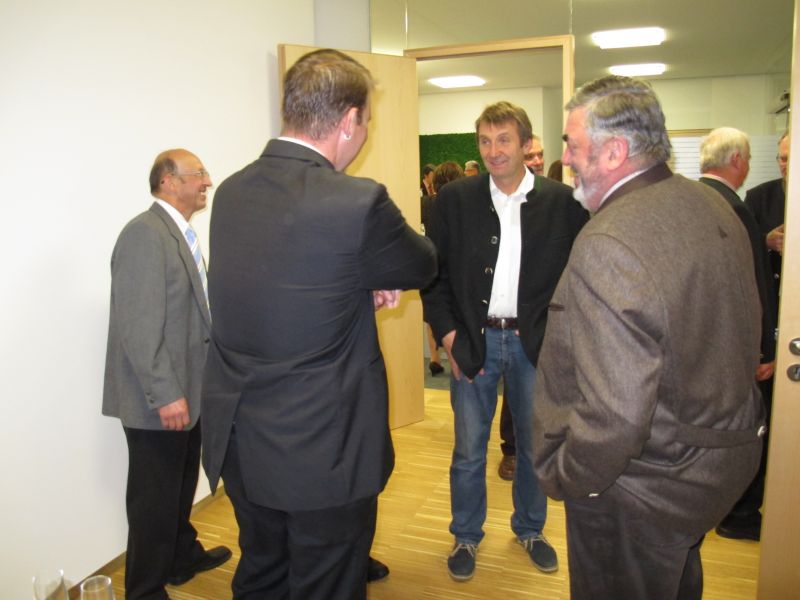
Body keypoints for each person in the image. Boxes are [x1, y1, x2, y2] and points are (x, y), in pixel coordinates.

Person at [201, 49, 437, 600]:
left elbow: (284, 284)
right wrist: (371, 274)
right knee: (327, 582)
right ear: (350, 120)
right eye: (367, 121)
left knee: (262, 571)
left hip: (243, 439)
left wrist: (359, 277)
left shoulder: (231, 192)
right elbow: (422, 264)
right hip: (323, 451)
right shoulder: (357, 202)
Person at [534, 75, 766, 600]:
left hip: (640, 486)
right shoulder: (710, 203)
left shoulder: (610, 241)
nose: (565, 158)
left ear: (614, 151)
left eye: (573, 144)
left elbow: (614, 415)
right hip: (708, 467)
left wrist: (569, 476)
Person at [422, 101, 588, 581]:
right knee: (469, 450)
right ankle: (465, 535)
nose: (493, 151)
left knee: (535, 448)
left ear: (526, 144)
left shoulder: (562, 203)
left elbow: (580, 279)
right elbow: (433, 275)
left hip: (534, 344)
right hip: (472, 341)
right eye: (485, 141)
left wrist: (563, 341)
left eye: (503, 140)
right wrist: (448, 334)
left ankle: (530, 528)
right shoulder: (454, 200)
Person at [102, 149, 232, 600]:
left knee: (178, 487)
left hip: (187, 391)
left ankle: (180, 557)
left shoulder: (178, 234)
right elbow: (138, 328)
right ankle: (143, 589)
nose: (207, 181)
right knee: (153, 500)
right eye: (199, 174)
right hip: (159, 399)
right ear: (168, 181)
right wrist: (166, 394)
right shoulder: (144, 234)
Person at [422, 161, 465, 376]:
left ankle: (435, 357)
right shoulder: (464, 207)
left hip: (433, 265)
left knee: (433, 313)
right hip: (457, 270)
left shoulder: (428, 203)